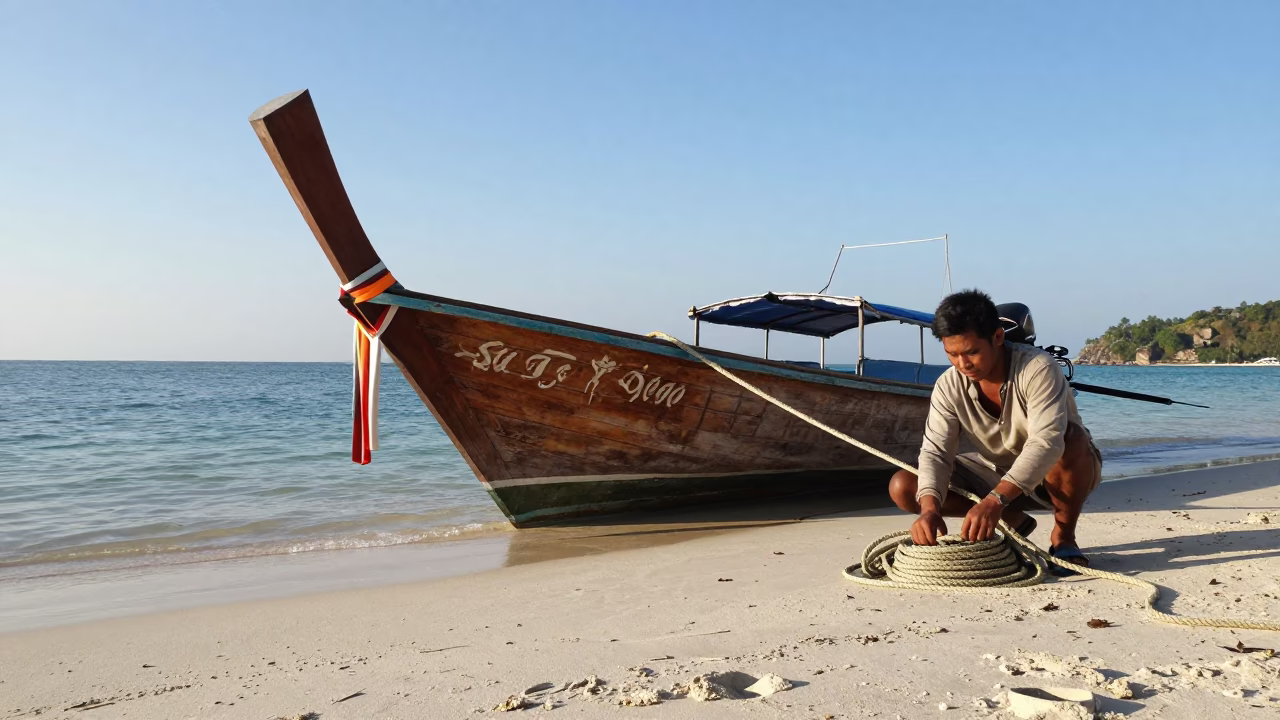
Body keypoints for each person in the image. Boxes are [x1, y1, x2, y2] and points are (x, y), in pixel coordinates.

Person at [887, 289, 1102, 572]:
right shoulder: (948, 385)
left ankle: (1063, 537)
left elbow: (1046, 443)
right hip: (993, 469)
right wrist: (929, 510)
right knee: (903, 487)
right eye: (952, 354)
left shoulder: (1038, 368)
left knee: (1069, 439)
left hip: (1059, 472)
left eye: (972, 352)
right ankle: (1013, 521)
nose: (963, 364)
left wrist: (994, 500)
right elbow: (936, 452)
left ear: (998, 338)